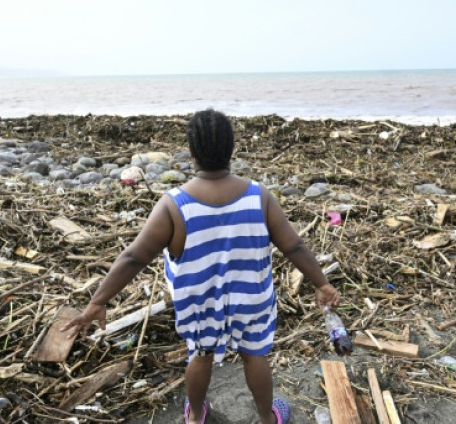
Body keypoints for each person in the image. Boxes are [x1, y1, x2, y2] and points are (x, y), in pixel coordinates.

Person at [63, 109, 341, 424]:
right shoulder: (258, 197)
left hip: (201, 304)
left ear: (192, 152)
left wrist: (97, 302)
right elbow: (294, 246)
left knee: (201, 354)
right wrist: (322, 283)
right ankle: (266, 417)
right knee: (255, 355)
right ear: (231, 148)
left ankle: (196, 416)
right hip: (251, 300)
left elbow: (133, 257)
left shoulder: (174, 204)